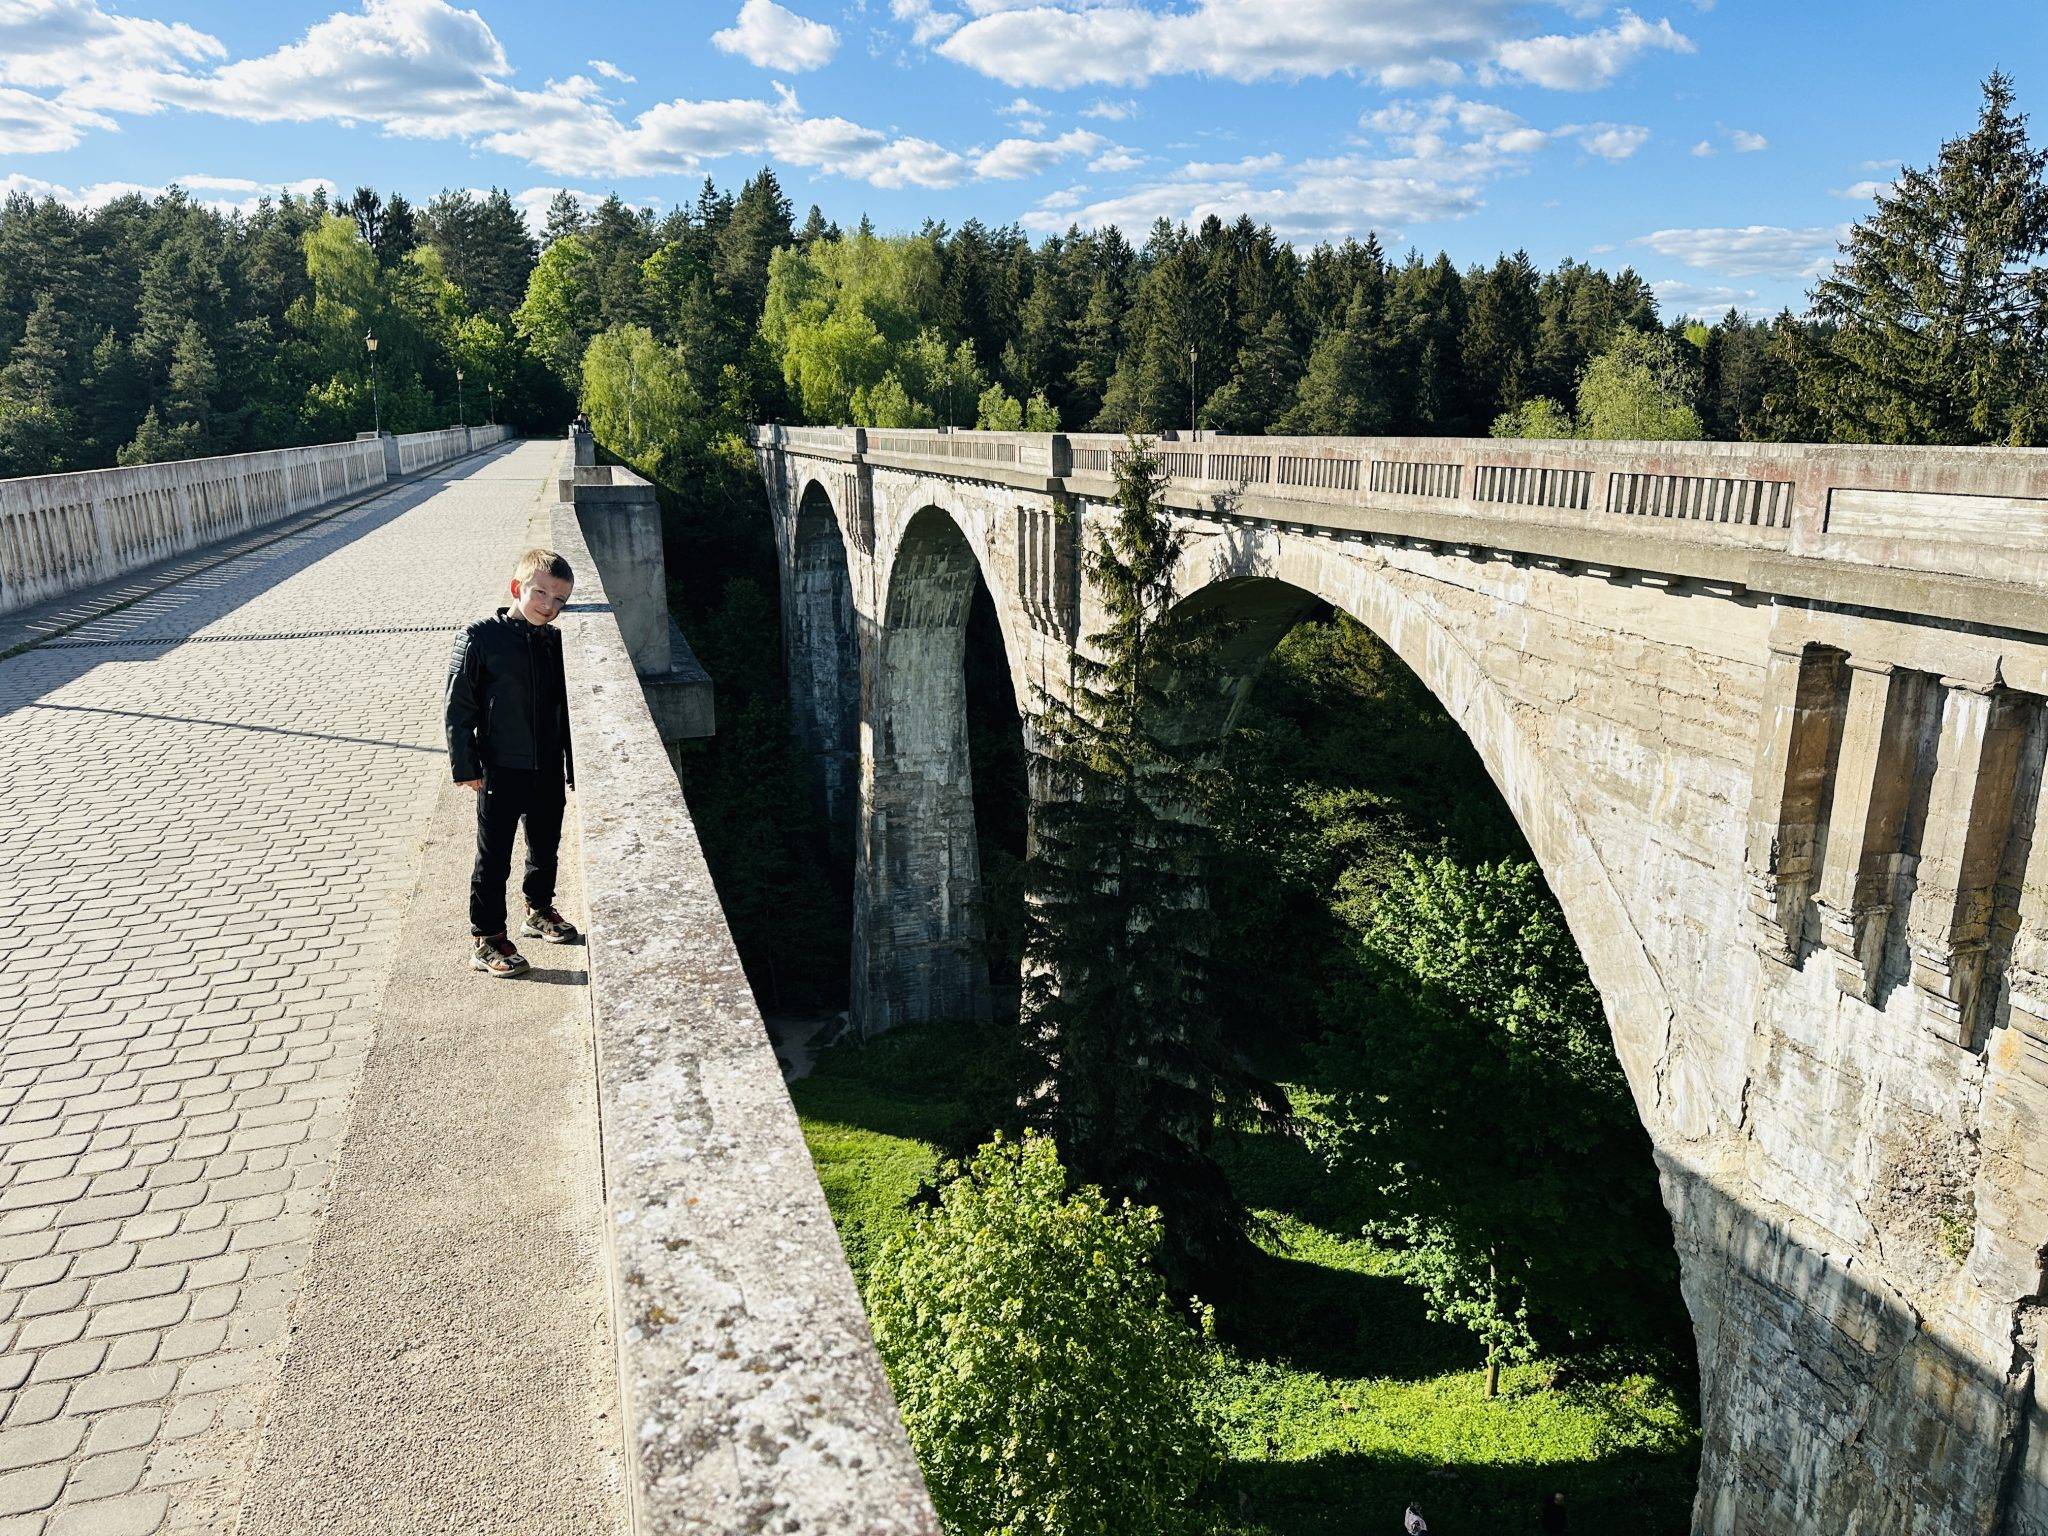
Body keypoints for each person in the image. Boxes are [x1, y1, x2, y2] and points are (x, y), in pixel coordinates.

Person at [445, 547, 581, 976]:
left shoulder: (555, 641)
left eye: (559, 600)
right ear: (516, 588)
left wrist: (572, 765)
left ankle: (538, 909)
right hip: (500, 768)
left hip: (546, 766)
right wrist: (465, 765)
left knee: (545, 845)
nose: (549, 606)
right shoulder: (481, 636)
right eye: (541, 593)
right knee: (494, 857)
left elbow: (566, 709)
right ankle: (487, 940)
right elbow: (458, 704)